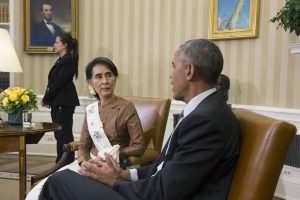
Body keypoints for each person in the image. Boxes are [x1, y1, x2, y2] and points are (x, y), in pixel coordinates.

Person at [38, 39, 241, 200]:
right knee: (72, 180)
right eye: (98, 77)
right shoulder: (203, 112)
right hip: (147, 187)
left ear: (189, 71)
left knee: (58, 181)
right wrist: (123, 174)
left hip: (151, 195)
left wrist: (113, 182)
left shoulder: (205, 122)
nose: (171, 75)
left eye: (173, 66)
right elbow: (163, 168)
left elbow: (164, 191)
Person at [26, 57, 145, 200]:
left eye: (109, 75)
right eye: (98, 77)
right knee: (41, 190)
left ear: (115, 78)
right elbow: (83, 145)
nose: (105, 81)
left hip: (113, 166)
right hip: (90, 162)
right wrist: (84, 163)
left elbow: (138, 146)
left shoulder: (126, 107)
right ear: (90, 82)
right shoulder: (91, 110)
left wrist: (111, 154)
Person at [41, 32, 80, 165]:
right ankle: (61, 163)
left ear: (65, 45)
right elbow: (55, 83)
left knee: (64, 135)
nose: (54, 45)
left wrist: (46, 99)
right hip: (59, 102)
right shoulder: (62, 60)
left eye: (57, 42)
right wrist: (49, 99)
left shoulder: (68, 60)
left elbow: (58, 83)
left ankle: (65, 164)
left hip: (64, 103)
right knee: (60, 135)